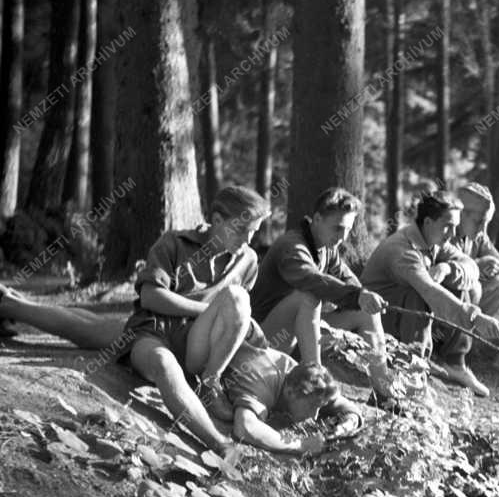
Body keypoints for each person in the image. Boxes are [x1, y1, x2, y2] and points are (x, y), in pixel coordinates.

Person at [0, 283, 345, 457]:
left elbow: (321, 389)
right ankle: (12, 303)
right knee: (89, 331)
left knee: (89, 328)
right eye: (312, 408)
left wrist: (345, 413)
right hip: (180, 341)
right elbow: (247, 427)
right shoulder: (262, 389)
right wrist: (296, 445)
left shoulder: (289, 365)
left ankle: (14, 301)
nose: (314, 415)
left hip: (182, 330)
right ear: (294, 391)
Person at [119, 184, 271, 452]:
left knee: (238, 298)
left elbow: (234, 313)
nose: (247, 240)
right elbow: (150, 297)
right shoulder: (174, 243)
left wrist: (245, 324)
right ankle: (218, 443)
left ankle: (209, 384)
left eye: (253, 233)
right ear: (217, 221)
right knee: (164, 366)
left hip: (196, 345)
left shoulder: (248, 260)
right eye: (240, 230)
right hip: (153, 333)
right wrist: (206, 310)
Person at [248, 187, 393, 406]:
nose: (343, 237)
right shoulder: (292, 247)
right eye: (338, 228)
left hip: (300, 337)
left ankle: (384, 395)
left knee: (365, 312)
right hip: (265, 344)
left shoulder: (326, 247)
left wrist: (362, 297)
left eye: (348, 230)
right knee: (308, 297)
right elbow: (312, 281)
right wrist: (355, 295)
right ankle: (316, 388)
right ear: (316, 219)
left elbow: (349, 280)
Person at [360, 190, 499, 397]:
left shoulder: (433, 241)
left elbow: (470, 266)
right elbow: (430, 292)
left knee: (460, 284)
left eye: (455, 226)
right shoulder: (403, 250)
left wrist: (448, 269)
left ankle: (454, 363)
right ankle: (411, 370)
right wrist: (476, 317)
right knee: (418, 295)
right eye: (448, 226)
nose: (453, 234)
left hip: (399, 317)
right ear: (428, 222)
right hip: (376, 321)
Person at [454, 182, 499, 316]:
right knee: (474, 289)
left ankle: (473, 331)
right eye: (479, 222)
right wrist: (477, 266)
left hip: (466, 292)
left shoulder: (479, 236)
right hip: (445, 294)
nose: (482, 230)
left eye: (486, 224)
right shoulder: (445, 232)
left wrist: (492, 265)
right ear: (461, 215)